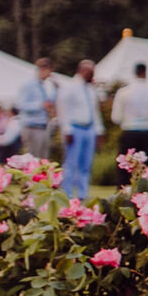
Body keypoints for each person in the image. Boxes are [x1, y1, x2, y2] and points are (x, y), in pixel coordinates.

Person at [57, 60, 103, 199]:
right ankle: (67, 193)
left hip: (89, 129)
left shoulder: (90, 90)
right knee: (71, 163)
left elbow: (95, 112)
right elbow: (63, 109)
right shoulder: (69, 87)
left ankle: (83, 194)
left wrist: (99, 131)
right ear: (83, 71)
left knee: (86, 164)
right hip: (75, 128)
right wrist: (67, 130)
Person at [112, 62, 148, 162]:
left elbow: (116, 117)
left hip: (130, 131)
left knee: (126, 166)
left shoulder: (124, 92)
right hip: (147, 132)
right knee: (145, 167)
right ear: (145, 73)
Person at [15, 58, 60, 161]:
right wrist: (39, 105)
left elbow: (48, 103)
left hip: (43, 126)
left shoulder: (42, 86)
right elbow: (20, 105)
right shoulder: (28, 85)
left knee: (43, 159)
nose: (49, 75)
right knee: (32, 160)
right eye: (49, 72)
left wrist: (56, 89)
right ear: (43, 69)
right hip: (31, 126)